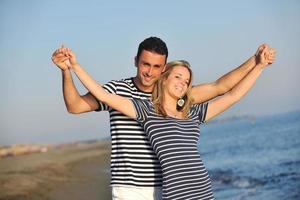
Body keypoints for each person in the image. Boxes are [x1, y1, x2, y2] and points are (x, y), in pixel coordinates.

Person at [51, 37, 275, 200]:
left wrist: (256, 62)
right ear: (136, 61)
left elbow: (224, 88)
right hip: (131, 188)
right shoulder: (125, 95)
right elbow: (76, 105)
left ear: (163, 71)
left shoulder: (182, 101)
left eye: (156, 67)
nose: (149, 72)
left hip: (170, 188)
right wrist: (69, 69)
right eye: (145, 64)